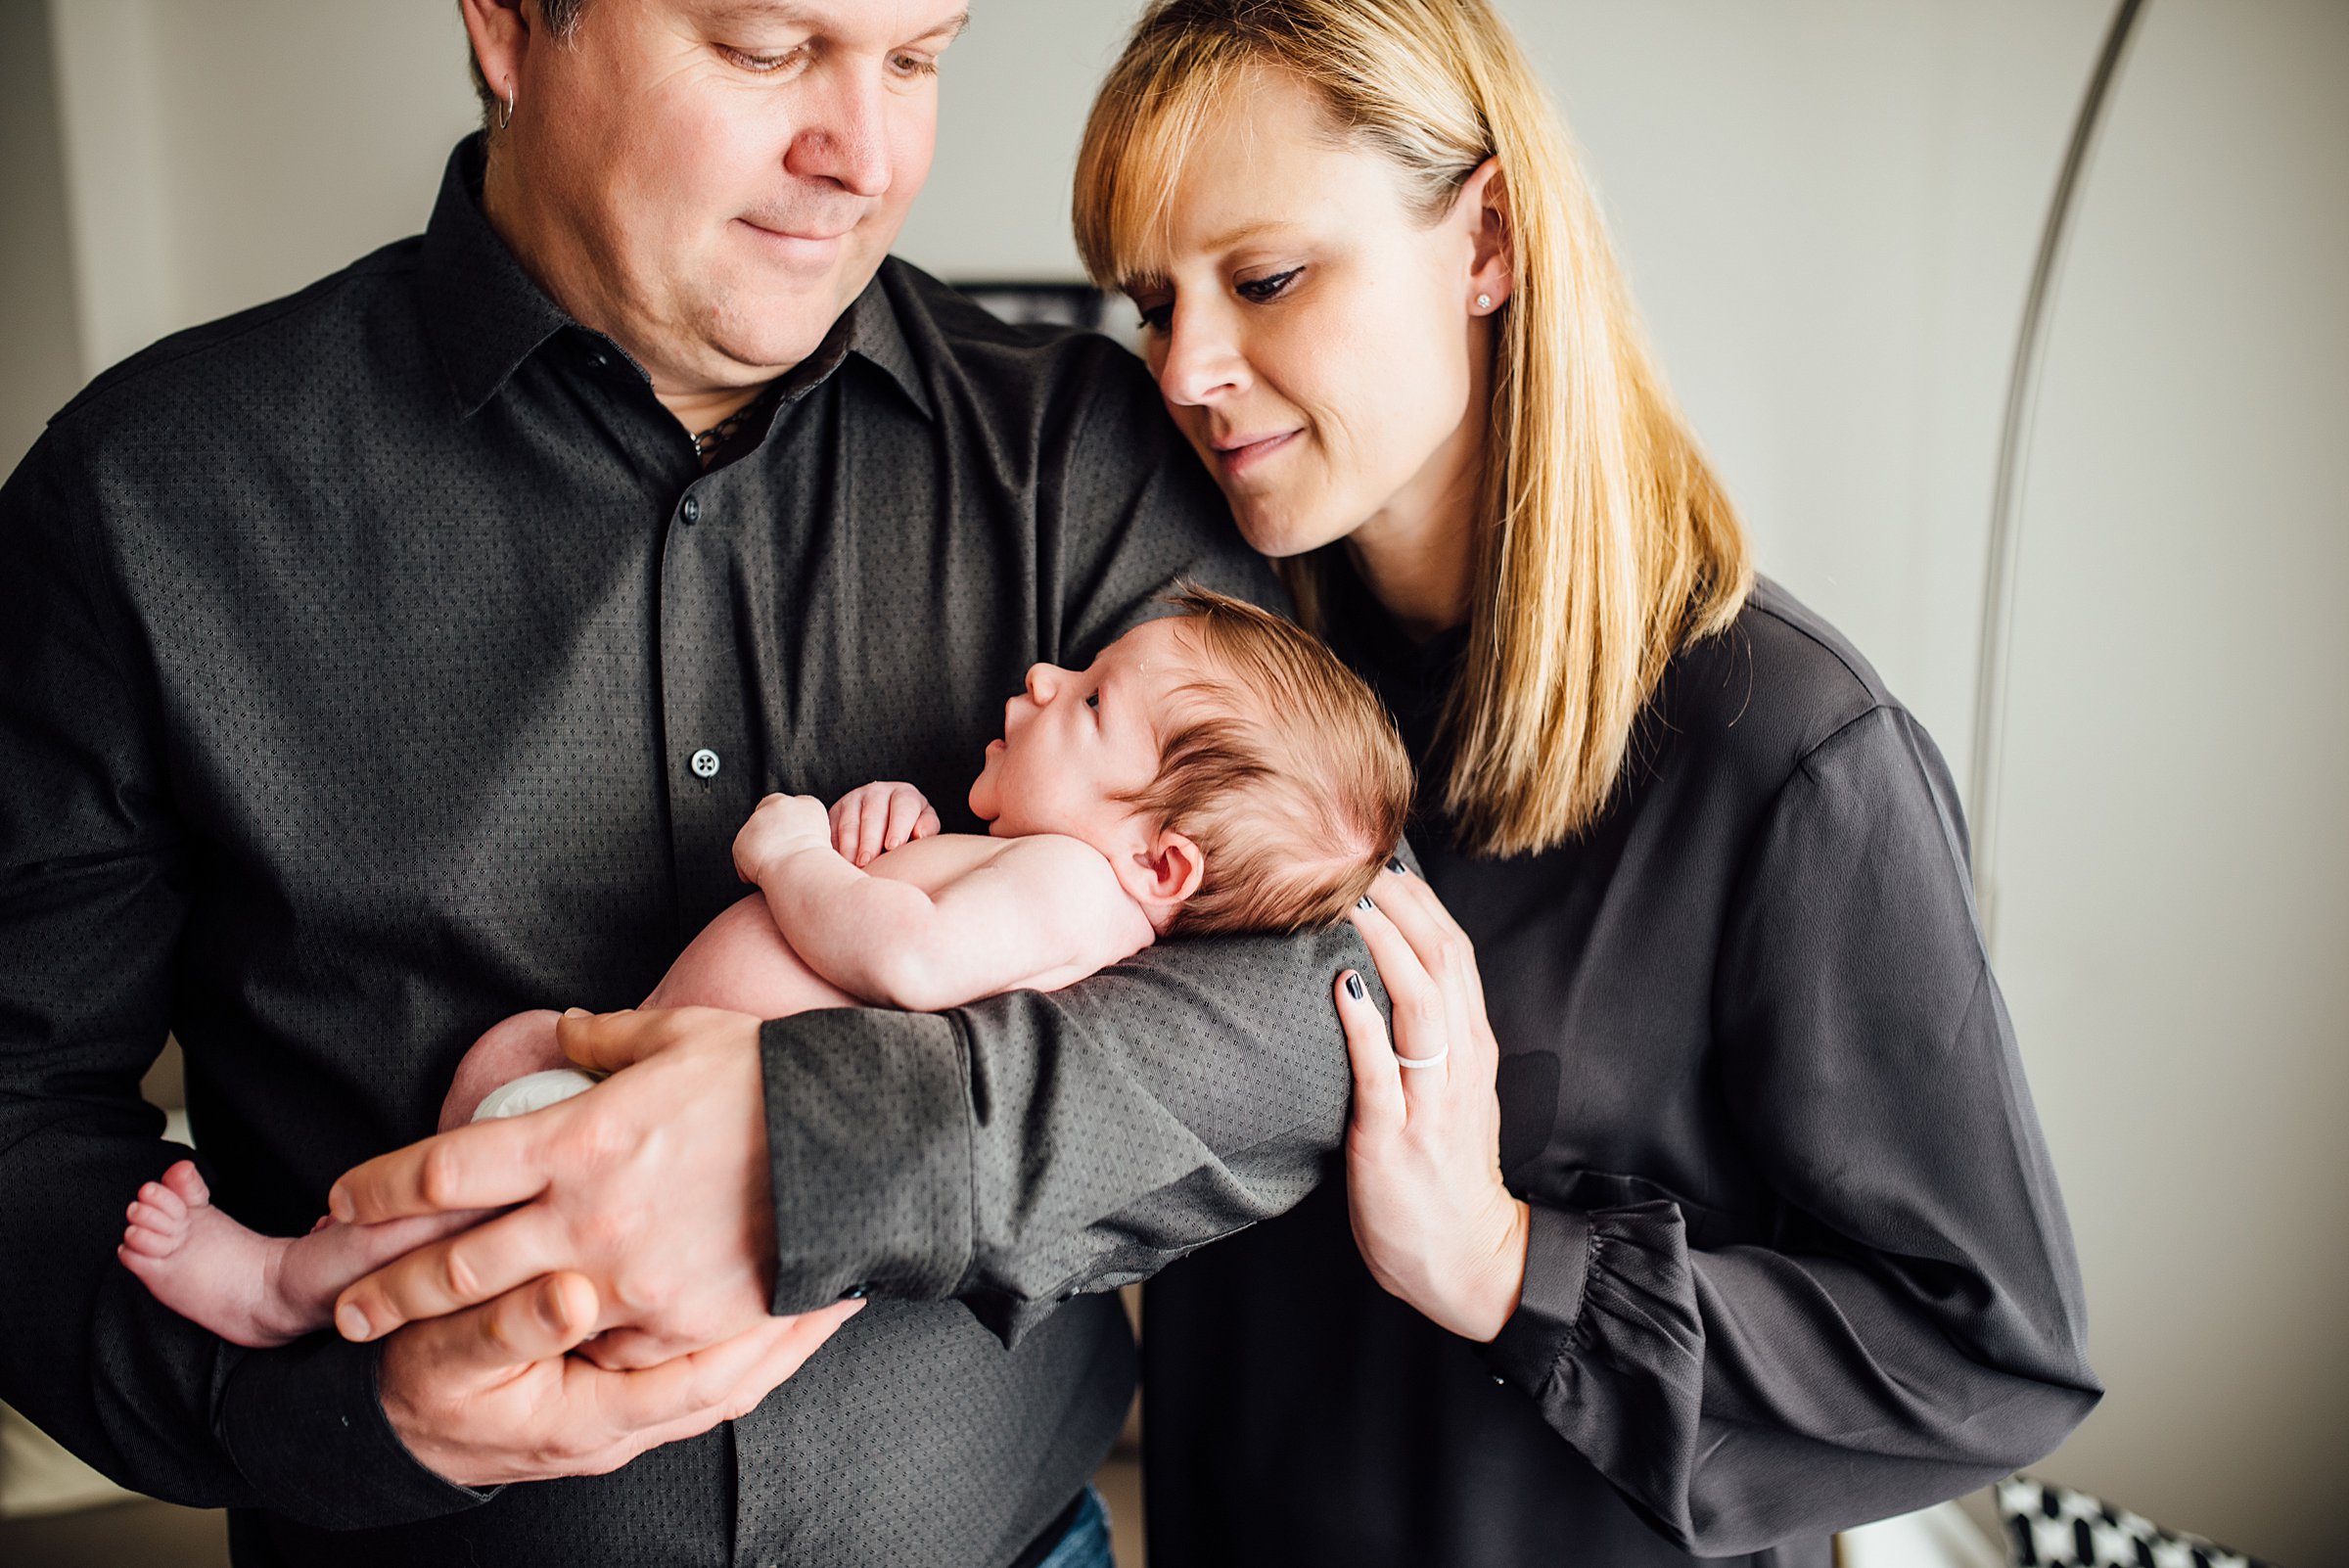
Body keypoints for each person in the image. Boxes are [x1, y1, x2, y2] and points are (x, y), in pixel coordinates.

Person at [0, 2, 1377, 1563]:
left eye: (916, 59)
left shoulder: (1084, 452)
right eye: (766, 49)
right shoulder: (147, 499)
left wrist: (821, 1153)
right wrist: (326, 1419)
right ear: (514, 28)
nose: (861, 156)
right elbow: (17, 1108)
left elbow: (1305, 1001)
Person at [1068, 1, 2103, 1564]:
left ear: (1486, 239)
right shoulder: (1195, 687)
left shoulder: (1793, 759)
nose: (1190, 365)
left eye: (1265, 278)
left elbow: (1989, 1352)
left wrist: (1505, 1261)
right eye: (1156, 304)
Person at [118, 594, 1411, 1353]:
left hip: (666, 1153)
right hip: (639, 1078)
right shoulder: (1048, 869)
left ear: (1165, 864)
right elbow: (933, 912)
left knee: (486, 1168)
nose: (1043, 675)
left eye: (1088, 705)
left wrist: (798, 856)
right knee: (504, 1067)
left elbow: (907, 958)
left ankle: (285, 1287)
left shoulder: (1074, 884)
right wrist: (896, 828)